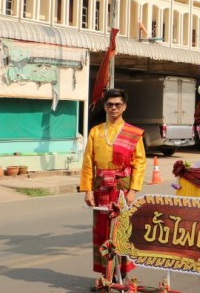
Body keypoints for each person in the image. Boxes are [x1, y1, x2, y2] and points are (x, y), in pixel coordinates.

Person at [80, 89, 146, 279]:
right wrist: (87, 190)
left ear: (124, 107)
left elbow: (140, 164)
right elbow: (87, 163)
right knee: (101, 231)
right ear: (105, 106)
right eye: (110, 104)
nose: (114, 107)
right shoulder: (96, 131)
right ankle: (104, 276)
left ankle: (120, 276)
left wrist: (133, 190)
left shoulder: (133, 134)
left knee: (121, 230)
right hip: (100, 187)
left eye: (118, 104)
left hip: (122, 187)